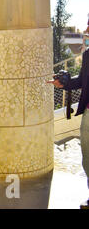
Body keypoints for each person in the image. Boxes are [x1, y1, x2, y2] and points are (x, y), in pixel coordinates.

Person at [47, 48, 89, 209]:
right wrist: (64, 83)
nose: (87, 29)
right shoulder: (87, 55)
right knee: (88, 158)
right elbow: (82, 81)